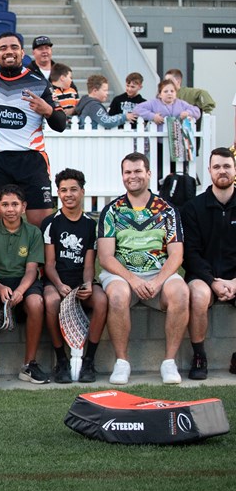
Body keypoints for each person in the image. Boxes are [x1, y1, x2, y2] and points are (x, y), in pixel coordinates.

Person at [97, 152, 189, 385]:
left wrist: (157, 282)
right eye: (128, 172)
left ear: (148, 173)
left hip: (158, 273)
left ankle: (169, 362)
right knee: (117, 296)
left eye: (138, 171)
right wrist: (134, 280)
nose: (132, 176)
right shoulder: (113, 210)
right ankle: (122, 363)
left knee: (180, 292)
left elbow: (176, 255)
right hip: (122, 274)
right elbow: (106, 257)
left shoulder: (167, 210)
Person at [0, 32, 68, 227]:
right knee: (4, 225)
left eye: (13, 47)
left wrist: (48, 111)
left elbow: (61, 124)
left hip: (32, 159)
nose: (8, 52)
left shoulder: (38, 82)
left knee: (41, 225)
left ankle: (40, 259)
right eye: (3, 48)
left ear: (22, 53)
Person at [41, 169, 108, 383]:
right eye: (63, 190)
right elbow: (49, 265)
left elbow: (89, 264)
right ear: (58, 193)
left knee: (102, 300)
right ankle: (61, 360)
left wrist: (87, 283)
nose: (68, 194)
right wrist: (59, 285)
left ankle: (89, 360)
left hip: (80, 282)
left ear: (82, 192)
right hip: (56, 281)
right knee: (51, 301)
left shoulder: (90, 224)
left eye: (73, 189)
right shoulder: (51, 223)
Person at [0, 184, 49, 384]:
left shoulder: (33, 233)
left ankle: (29, 364)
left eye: (15, 204)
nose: (10, 209)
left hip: (24, 282)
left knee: (36, 303)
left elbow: (31, 270)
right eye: (5, 204)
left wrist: (20, 290)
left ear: (23, 206)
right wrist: (0, 288)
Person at [181, 148, 236, 380]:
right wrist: (213, 282)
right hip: (203, 276)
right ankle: (199, 356)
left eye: (226, 166)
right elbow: (190, 254)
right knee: (199, 296)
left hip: (235, 276)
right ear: (209, 171)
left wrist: (235, 282)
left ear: (234, 170)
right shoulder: (193, 208)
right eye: (217, 167)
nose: (222, 171)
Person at [133, 78, 201, 134]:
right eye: (165, 91)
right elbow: (137, 109)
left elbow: (197, 111)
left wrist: (188, 113)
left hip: (177, 141)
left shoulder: (181, 104)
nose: (169, 93)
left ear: (176, 93)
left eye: (172, 91)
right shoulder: (153, 103)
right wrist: (152, 116)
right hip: (158, 140)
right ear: (160, 94)